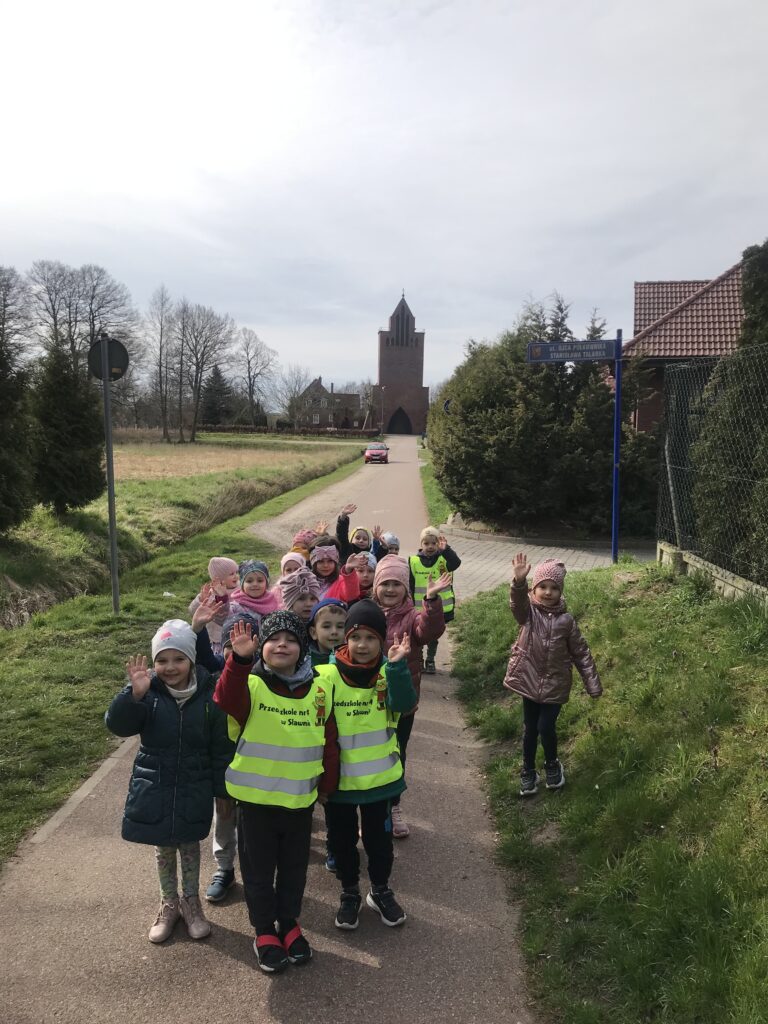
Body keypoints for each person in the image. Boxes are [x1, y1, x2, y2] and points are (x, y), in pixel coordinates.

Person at [215, 611, 338, 973]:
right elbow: (225, 697)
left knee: (294, 870)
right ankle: (264, 930)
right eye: (273, 639)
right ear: (261, 648)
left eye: (291, 638)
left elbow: (329, 742)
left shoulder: (319, 689)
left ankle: (289, 923)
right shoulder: (250, 685)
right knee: (258, 871)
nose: (281, 643)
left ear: (303, 648)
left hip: (300, 802)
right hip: (256, 804)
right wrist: (239, 661)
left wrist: (327, 785)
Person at [105, 619, 234, 943]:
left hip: (194, 784)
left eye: (178, 659)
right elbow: (118, 725)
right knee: (164, 847)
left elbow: (220, 747)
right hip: (156, 785)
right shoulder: (148, 693)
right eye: (162, 660)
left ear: (191, 659)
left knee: (189, 845)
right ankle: (169, 903)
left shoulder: (208, 694)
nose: (170, 667)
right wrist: (131, 695)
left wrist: (222, 791)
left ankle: (191, 902)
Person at [316, 601, 416, 929]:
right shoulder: (326, 675)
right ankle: (349, 893)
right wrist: (323, 782)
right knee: (342, 844)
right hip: (340, 786)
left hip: (379, 784)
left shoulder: (389, 672)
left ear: (382, 641)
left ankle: (380, 891)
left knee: (379, 844)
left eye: (371, 638)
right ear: (346, 638)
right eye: (356, 636)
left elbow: (405, 705)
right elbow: (317, 729)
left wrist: (400, 667)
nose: (362, 645)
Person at [503, 554, 602, 797]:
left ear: (561, 591)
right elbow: (517, 605)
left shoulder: (566, 621)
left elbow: (581, 653)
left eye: (554, 588)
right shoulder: (529, 615)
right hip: (529, 681)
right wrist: (518, 582)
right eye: (542, 587)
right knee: (530, 730)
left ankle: (551, 764)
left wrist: (593, 684)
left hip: (555, 686)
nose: (548, 592)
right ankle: (527, 771)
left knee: (546, 727)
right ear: (534, 589)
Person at [372, 555, 450, 838]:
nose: (390, 589)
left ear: (406, 589)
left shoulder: (413, 616)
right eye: (385, 584)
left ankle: (393, 805)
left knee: (396, 752)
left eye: (396, 584)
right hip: (369, 702)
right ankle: (370, 807)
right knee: (367, 752)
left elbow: (429, 631)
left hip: (403, 701)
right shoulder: (366, 612)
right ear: (375, 586)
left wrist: (431, 601)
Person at [409, 528, 461, 674]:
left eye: (434, 543)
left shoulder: (444, 559)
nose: (430, 546)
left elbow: (456, 563)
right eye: (426, 543)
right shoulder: (413, 561)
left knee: (433, 635)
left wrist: (446, 550)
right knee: (417, 635)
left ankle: (430, 660)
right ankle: (418, 659)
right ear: (421, 544)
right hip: (419, 608)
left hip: (440, 608)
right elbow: (410, 585)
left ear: (438, 544)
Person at [188, 557, 239, 655]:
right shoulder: (211, 593)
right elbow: (192, 611)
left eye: (236, 572)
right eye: (231, 574)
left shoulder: (239, 590)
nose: (236, 576)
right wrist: (200, 600)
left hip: (234, 634)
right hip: (216, 637)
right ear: (219, 578)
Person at [308, 536, 364, 602]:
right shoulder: (304, 580)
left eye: (330, 561)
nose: (326, 565)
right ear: (313, 563)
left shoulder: (340, 581)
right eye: (320, 561)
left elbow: (351, 595)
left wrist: (348, 570)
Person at [308, 598, 347, 667]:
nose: (334, 632)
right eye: (327, 626)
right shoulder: (305, 662)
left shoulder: (351, 660)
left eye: (340, 626)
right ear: (313, 633)